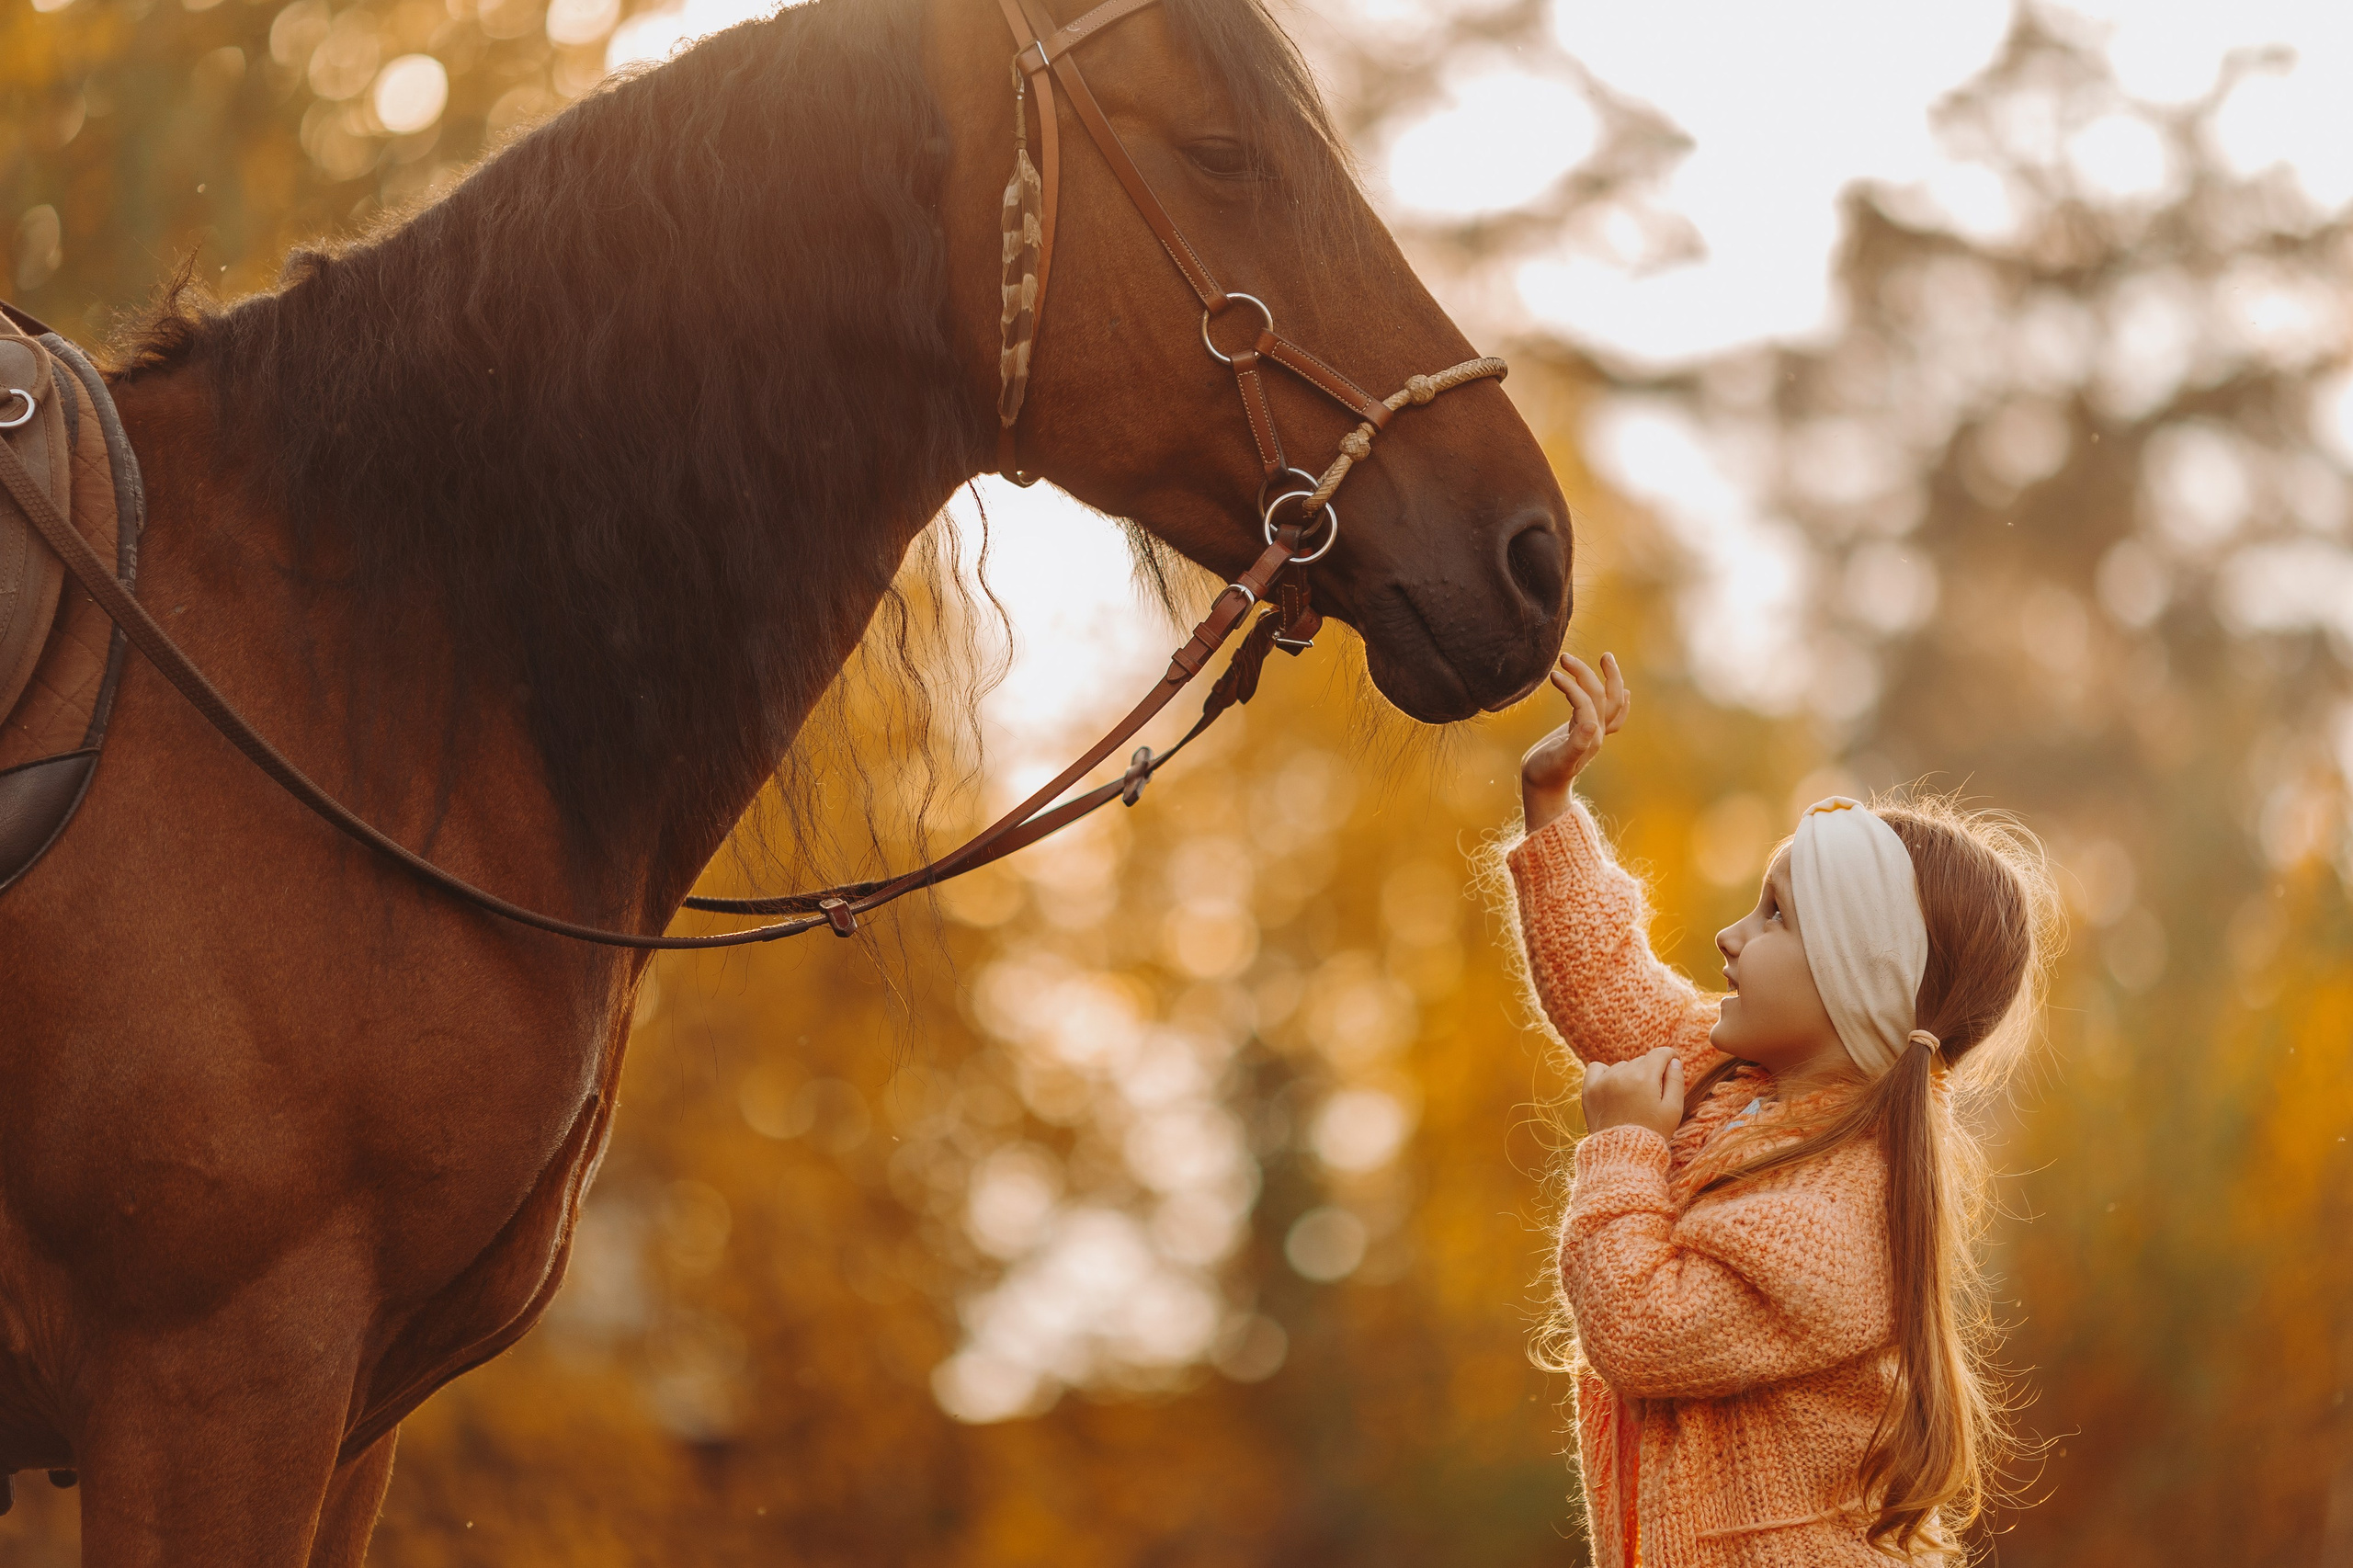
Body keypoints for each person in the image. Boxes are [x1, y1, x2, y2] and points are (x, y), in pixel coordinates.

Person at [1506, 651, 2056, 1567]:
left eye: (1773, 916)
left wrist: (1625, 1150)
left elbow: (1641, 1329)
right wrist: (1550, 800)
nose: (1729, 933)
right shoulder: (1733, 1083)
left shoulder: (1842, 1216)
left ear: (1855, 978)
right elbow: (1609, 989)